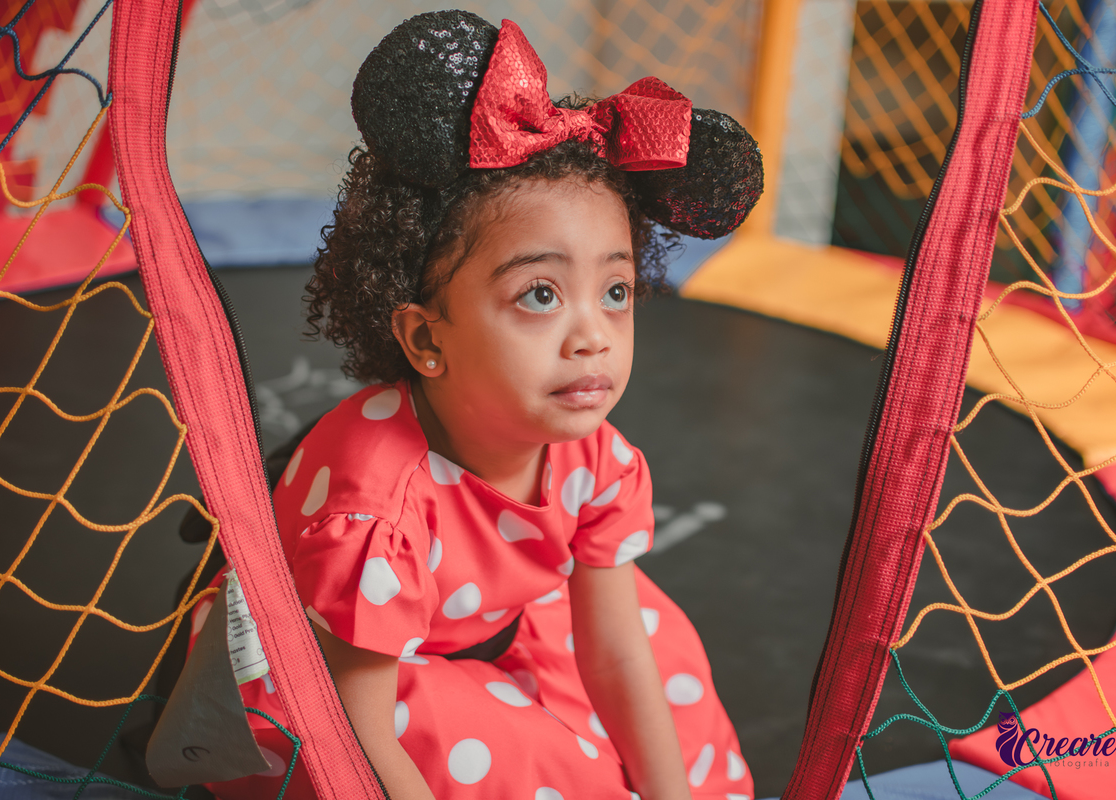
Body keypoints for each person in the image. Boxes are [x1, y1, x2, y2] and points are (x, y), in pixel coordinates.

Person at [193, 10, 763, 799]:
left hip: (468, 642)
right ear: (427, 341)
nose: (592, 336)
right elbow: (359, 732)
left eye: (616, 291)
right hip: (323, 691)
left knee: (659, 644)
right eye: (540, 294)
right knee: (534, 756)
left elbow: (614, 656)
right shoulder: (374, 509)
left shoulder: (596, 460)